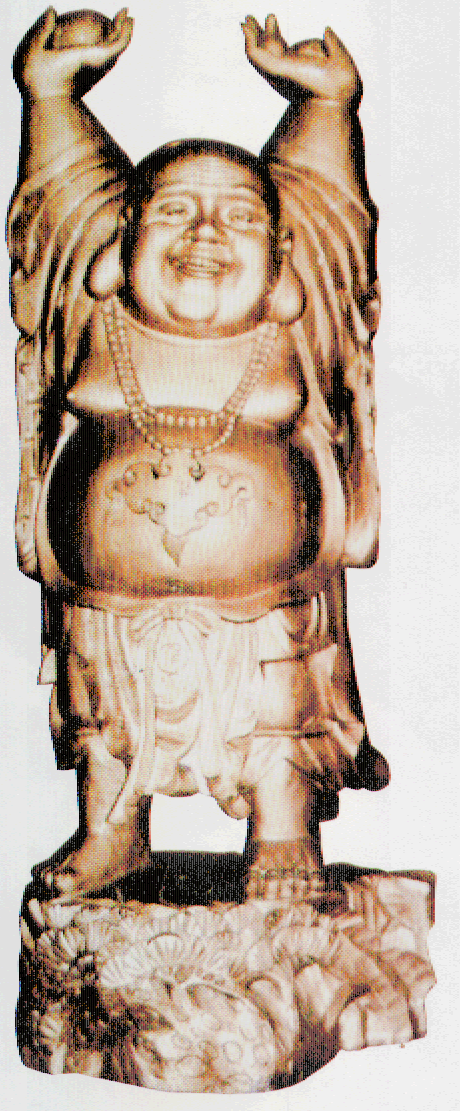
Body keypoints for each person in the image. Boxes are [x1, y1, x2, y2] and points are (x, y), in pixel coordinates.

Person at [8, 9, 388, 902]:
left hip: (267, 608)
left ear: (284, 255)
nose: (206, 233)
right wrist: (50, 97)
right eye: (174, 211)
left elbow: (329, 208)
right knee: (103, 710)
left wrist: (328, 107)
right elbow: (60, 200)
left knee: (275, 709)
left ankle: (284, 832)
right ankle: (111, 832)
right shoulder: (94, 311)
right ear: (117, 243)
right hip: (106, 600)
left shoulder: (294, 320)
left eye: (239, 217)